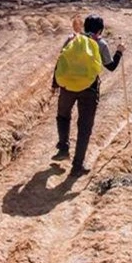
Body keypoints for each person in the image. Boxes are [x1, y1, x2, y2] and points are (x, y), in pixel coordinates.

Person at [51, 14, 125, 177]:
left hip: (67, 86)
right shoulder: (101, 43)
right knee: (84, 127)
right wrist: (119, 52)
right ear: (100, 30)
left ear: (84, 27)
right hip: (89, 89)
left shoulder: (72, 39)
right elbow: (111, 67)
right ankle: (77, 166)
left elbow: (61, 61)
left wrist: (55, 84)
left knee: (63, 116)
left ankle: (63, 147)